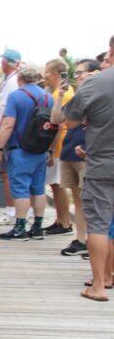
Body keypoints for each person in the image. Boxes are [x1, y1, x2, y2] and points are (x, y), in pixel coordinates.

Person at [62, 66, 114, 301]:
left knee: (99, 225)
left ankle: (99, 286)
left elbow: (70, 121)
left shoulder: (96, 83)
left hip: (103, 165)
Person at [0, 64, 54, 241]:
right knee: (38, 188)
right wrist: (50, 148)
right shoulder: (48, 97)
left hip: (20, 149)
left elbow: (8, 124)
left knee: (20, 189)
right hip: (41, 149)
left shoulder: (16, 96)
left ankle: (20, 228)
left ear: (20, 79)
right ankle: (37, 227)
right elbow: (55, 124)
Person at [52, 59, 102, 257]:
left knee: (91, 200)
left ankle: (95, 241)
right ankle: (81, 239)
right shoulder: (78, 96)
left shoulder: (99, 92)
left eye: (81, 73)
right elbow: (56, 119)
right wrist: (60, 96)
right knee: (79, 200)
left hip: (90, 152)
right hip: (70, 149)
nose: (77, 77)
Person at [41, 59, 76, 237]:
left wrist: (51, 149)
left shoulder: (59, 95)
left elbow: (58, 124)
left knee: (57, 185)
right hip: (63, 144)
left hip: (60, 145)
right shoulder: (66, 91)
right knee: (56, 184)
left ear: (55, 74)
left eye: (47, 72)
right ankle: (61, 219)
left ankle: (64, 221)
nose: (44, 76)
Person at [0, 49, 23, 226]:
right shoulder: (12, 81)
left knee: (6, 173)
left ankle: (11, 211)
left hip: (6, 132)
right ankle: (19, 210)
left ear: (5, 62)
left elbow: (8, 113)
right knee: (8, 173)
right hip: (9, 131)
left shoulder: (12, 82)